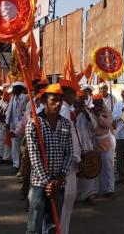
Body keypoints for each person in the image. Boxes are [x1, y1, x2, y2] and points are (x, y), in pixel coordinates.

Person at [26, 83, 73, 234]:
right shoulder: (34, 124)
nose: (58, 103)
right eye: (54, 100)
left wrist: (60, 177)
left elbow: (69, 152)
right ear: (44, 101)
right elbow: (34, 157)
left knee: (53, 225)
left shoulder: (65, 123)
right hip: (40, 184)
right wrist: (48, 182)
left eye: (60, 100)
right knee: (34, 226)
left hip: (59, 183)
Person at [59, 77, 81, 234]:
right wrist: (75, 157)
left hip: (70, 160)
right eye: (74, 94)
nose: (76, 97)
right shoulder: (64, 110)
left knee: (68, 199)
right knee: (67, 198)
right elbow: (65, 138)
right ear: (67, 94)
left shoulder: (67, 109)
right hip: (68, 162)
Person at [89, 94, 115, 197]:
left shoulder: (107, 112)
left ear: (101, 101)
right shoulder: (90, 112)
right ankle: (94, 191)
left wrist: (99, 116)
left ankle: (109, 189)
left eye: (99, 101)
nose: (97, 104)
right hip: (94, 142)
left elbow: (108, 125)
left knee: (107, 166)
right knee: (95, 166)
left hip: (105, 141)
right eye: (95, 102)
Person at [74, 90, 97, 205]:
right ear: (75, 98)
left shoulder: (87, 112)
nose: (83, 100)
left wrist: (87, 115)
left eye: (84, 98)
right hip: (75, 146)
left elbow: (94, 126)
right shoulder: (69, 111)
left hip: (87, 145)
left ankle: (87, 195)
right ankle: (74, 196)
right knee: (76, 171)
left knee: (89, 170)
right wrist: (77, 113)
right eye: (81, 98)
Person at [5, 82, 28, 173]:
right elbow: (9, 110)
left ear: (20, 89)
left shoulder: (25, 97)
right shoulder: (12, 98)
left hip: (22, 125)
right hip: (13, 125)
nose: (13, 90)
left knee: (23, 146)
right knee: (15, 145)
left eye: (14, 88)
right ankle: (16, 165)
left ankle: (23, 166)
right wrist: (7, 122)